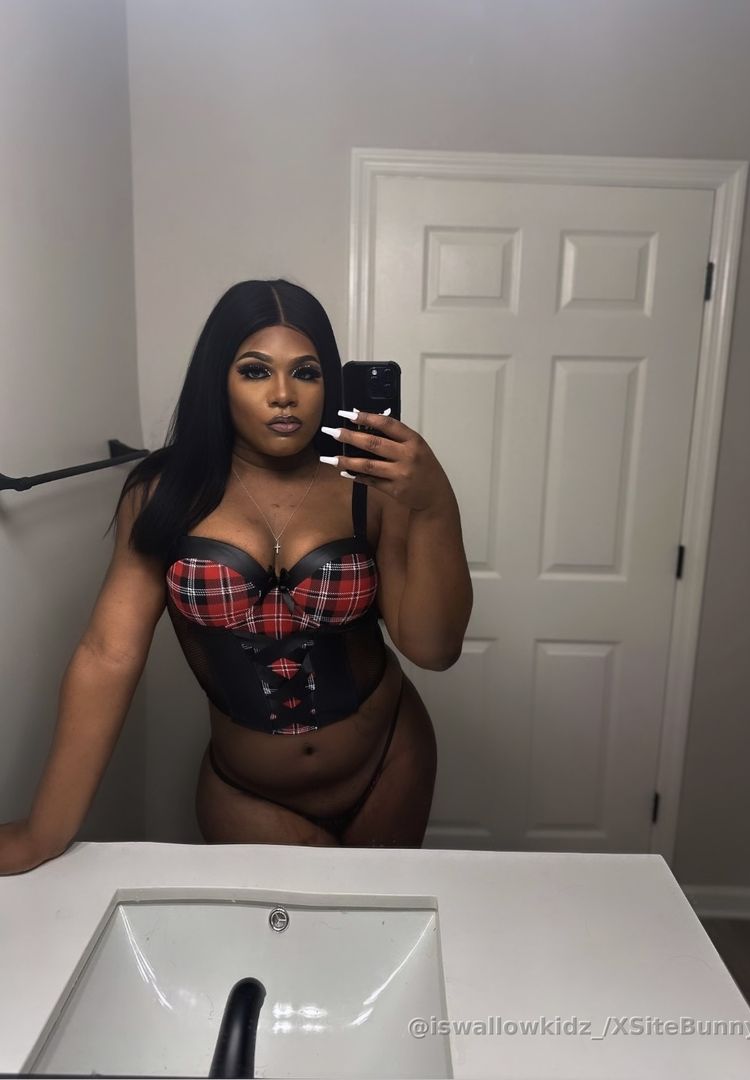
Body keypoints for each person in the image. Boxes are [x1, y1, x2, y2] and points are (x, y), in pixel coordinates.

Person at [0, 279, 472, 873]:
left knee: (377, 924)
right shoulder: (163, 495)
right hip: (248, 793)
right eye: (255, 371)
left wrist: (435, 506)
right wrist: (43, 831)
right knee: (282, 933)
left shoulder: (368, 486)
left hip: (390, 763)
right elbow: (107, 656)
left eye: (306, 372)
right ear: (217, 380)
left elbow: (433, 650)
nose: (284, 396)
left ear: (328, 382)